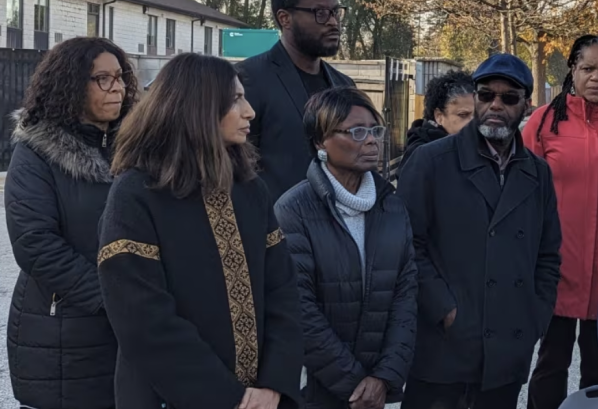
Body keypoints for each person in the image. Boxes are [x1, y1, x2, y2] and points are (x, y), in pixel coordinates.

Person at [98, 53, 303, 409]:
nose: (250, 111)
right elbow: (144, 320)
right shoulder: (137, 193)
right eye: (236, 99)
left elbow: (283, 290)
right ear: (198, 106)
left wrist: (274, 383)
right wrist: (230, 397)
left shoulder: (251, 190)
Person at [396, 53, 562, 409]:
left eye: (509, 97)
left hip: (507, 350)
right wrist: (444, 309)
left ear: (526, 105)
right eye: (486, 95)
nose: (496, 105)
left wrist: (535, 316)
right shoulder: (431, 161)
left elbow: (548, 254)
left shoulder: (538, 173)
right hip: (443, 349)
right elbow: (407, 245)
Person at [4, 37, 137, 409]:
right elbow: (35, 243)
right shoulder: (36, 152)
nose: (118, 88)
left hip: (133, 324)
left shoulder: (138, 148)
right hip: (64, 327)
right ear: (72, 84)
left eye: (121, 77)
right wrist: (110, 297)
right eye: (103, 79)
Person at [275, 87, 418, 409]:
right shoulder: (293, 209)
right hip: (317, 388)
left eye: (375, 130)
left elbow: (405, 296)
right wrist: (355, 383)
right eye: (356, 131)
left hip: (379, 388)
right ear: (320, 142)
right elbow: (299, 307)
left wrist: (384, 376)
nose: (371, 140)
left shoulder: (392, 206)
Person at [522, 34, 598, 409]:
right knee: (550, 361)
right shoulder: (544, 122)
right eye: (588, 68)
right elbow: (520, 190)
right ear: (572, 70)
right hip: (554, 262)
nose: (597, 77)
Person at [237, 0, 356, 204]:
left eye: (335, 12)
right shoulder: (245, 80)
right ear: (285, 18)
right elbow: (232, 169)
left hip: (338, 230)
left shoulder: (345, 86)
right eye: (321, 12)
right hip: (274, 231)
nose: (333, 22)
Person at [399, 70, 475, 175]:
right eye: (463, 115)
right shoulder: (422, 156)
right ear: (439, 116)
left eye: (477, 115)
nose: (473, 122)